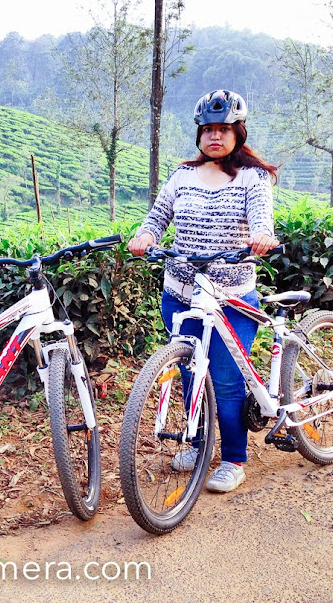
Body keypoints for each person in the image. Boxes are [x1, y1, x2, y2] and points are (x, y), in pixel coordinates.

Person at [128, 89, 279, 493]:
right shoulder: (182, 175)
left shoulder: (253, 177)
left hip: (231, 298)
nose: (215, 136)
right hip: (180, 293)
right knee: (189, 371)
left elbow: (261, 217)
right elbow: (158, 216)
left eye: (224, 129)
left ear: (238, 134)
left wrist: (262, 235)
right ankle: (197, 442)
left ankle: (233, 458)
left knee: (227, 381)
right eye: (208, 129)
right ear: (199, 134)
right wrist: (144, 235)